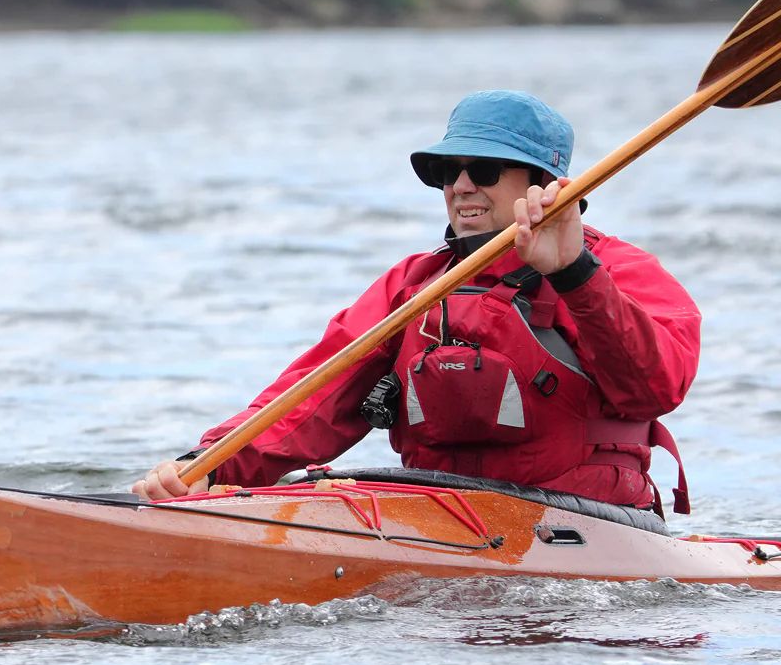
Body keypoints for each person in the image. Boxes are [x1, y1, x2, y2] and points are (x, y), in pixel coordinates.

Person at [133, 90, 701, 514]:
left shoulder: (624, 273)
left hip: (587, 523)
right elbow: (317, 395)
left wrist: (576, 274)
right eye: (446, 172)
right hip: (439, 517)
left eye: (483, 170)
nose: (461, 186)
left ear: (545, 182)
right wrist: (207, 464)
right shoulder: (417, 283)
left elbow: (655, 386)